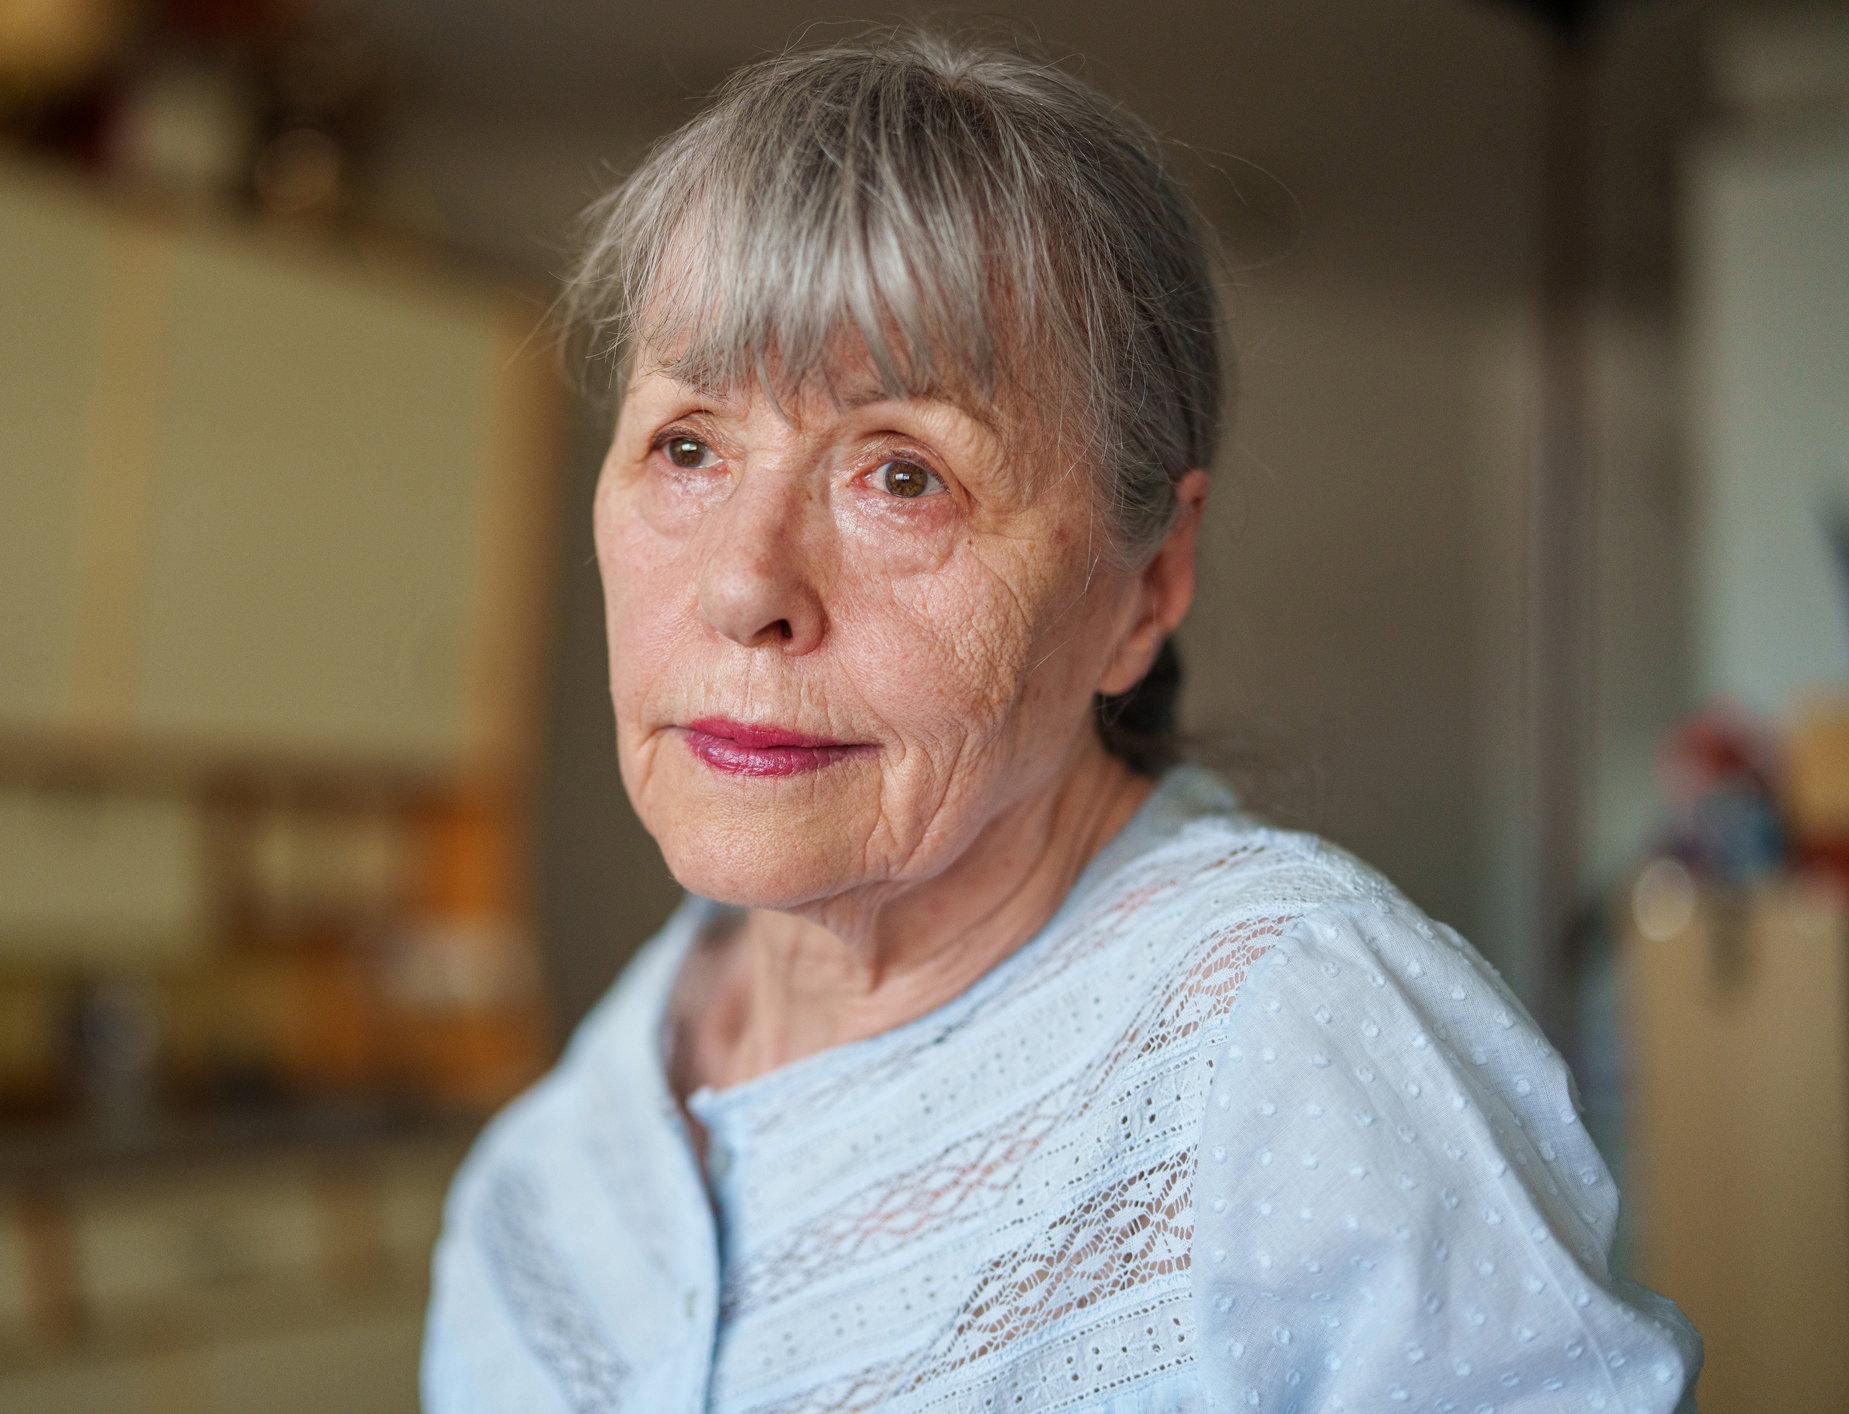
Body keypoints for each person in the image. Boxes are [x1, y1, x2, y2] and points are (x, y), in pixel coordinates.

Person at [424, 30, 1699, 1413]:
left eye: (901, 474)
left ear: (1145, 587)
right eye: (687, 446)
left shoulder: (1288, 1036)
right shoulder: (547, 1182)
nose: (744, 585)